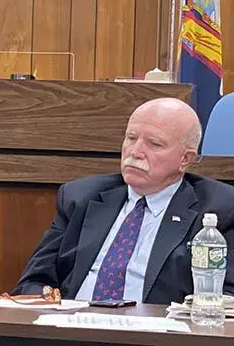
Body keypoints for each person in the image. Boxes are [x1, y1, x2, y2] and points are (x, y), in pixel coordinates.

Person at [14, 98, 234, 305]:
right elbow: (33, 281)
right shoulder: (80, 197)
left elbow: (227, 298)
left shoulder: (219, 209)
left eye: (154, 144)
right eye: (131, 138)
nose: (135, 152)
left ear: (185, 159)